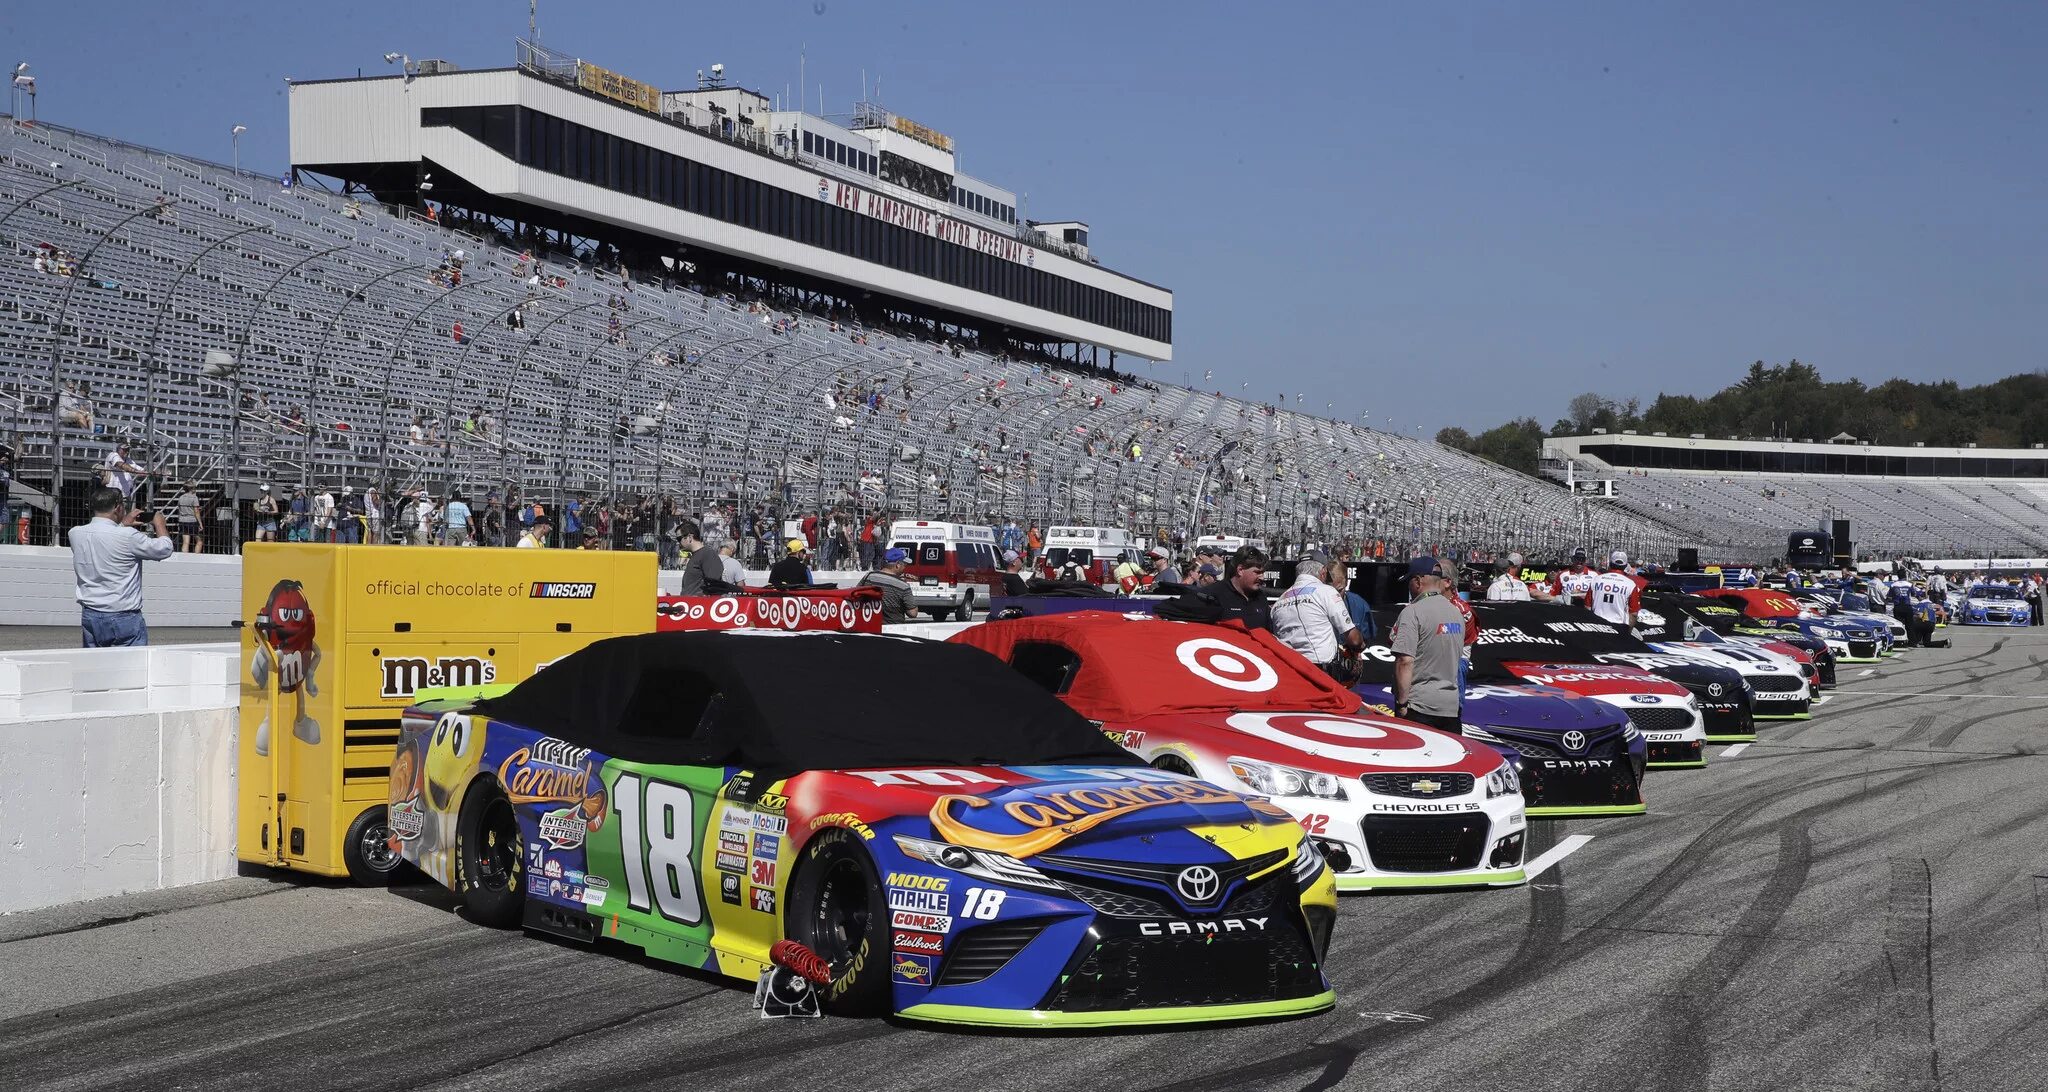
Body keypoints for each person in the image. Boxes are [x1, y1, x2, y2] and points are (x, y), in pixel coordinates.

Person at [69, 487, 175, 647]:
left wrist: (122, 525)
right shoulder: (128, 536)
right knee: (131, 668)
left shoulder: (75, 533)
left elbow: (106, 541)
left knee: (94, 666)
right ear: (118, 507)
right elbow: (164, 549)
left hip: (90, 613)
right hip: (123, 615)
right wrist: (159, 523)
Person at [1389, 556, 1465, 732]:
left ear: (1417, 581)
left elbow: (1404, 661)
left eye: (1409, 581)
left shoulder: (1412, 612)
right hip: (1451, 707)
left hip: (1419, 707)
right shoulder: (1456, 613)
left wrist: (1402, 704)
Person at [1272, 557, 1364, 680]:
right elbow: (1355, 640)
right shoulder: (1326, 592)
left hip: (1287, 672)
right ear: (1323, 572)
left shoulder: (1279, 601)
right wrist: (1360, 646)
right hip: (1318, 671)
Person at [1205, 546, 1273, 630]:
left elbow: (1268, 633)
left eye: (1263, 573)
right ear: (1240, 570)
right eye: (1257, 572)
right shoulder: (1213, 595)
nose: (1262, 577)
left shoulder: (1260, 597)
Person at [859, 547, 921, 623]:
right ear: (897, 565)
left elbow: (856, 594)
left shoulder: (869, 576)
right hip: (893, 629)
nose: (905, 567)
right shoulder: (903, 586)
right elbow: (913, 613)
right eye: (904, 564)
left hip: (870, 626)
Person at [1588, 550, 1644, 626]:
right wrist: (1629, 631)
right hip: (1619, 628)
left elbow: (1587, 606)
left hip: (1597, 626)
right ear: (1625, 566)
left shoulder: (1596, 579)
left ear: (1610, 564)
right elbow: (1634, 613)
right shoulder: (1631, 584)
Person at [1486, 552, 1552, 602]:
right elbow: (1534, 593)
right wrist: (1554, 598)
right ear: (1519, 567)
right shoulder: (1519, 583)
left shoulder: (1496, 581)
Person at [173, 483, 202, 553]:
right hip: (192, 521)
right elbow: (196, 511)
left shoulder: (181, 498)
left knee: (186, 542)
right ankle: (196, 557)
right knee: (199, 541)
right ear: (191, 489)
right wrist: (200, 523)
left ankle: (184, 558)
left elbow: (179, 510)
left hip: (182, 521)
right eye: (195, 488)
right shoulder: (194, 498)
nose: (196, 489)